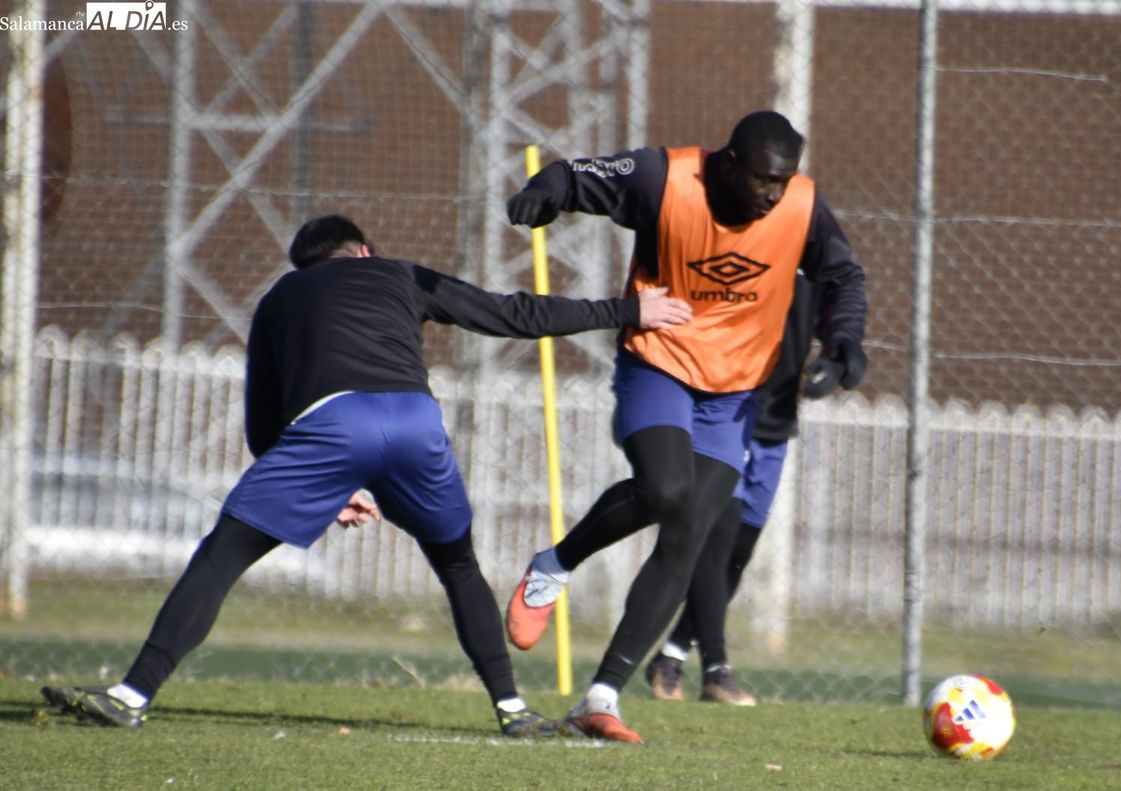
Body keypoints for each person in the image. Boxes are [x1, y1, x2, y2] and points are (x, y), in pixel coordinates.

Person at [39, 214, 692, 736]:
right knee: (459, 565)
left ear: (308, 268)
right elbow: (511, 314)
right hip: (415, 419)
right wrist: (626, 311)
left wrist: (326, 491)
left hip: (331, 425)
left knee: (222, 554)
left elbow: (264, 425)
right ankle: (513, 710)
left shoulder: (279, 299)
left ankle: (131, 694)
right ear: (363, 251)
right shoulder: (399, 275)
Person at [502, 111, 867, 742]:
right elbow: (576, 173)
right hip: (659, 366)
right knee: (667, 489)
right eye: (763, 180)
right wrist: (545, 194)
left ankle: (602, 696)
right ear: (729, 164)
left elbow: (843, 277)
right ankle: (554, 565)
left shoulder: (803, 206)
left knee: (690, 531)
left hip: (732, 395)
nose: (775, 193)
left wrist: (843, 347)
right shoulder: (664, 178)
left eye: (785, 179)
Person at [644, 273, 866, 706]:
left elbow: (842, 295)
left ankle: (670, 656)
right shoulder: (737, 236)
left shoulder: (813, 238)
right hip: (725, 408)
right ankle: (715, 670)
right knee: (716, 540)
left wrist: (839, 355)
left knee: (738, 552)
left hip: (776, 419)